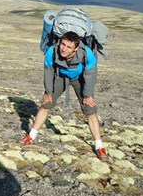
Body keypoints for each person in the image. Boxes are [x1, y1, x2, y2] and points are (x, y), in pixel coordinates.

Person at [20, 31, 109, 161]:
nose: (63, 48)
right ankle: (31, 136)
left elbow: (90, 75)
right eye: (63, 44)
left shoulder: (87, 54)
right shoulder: (52, 51)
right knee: (46, 104)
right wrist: (48, 92)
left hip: (80, 78)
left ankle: (99, 146)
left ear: (76, 48)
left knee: (90, 110)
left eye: (68, 47)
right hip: (60, 76)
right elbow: (48, 71)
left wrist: (88, 95)